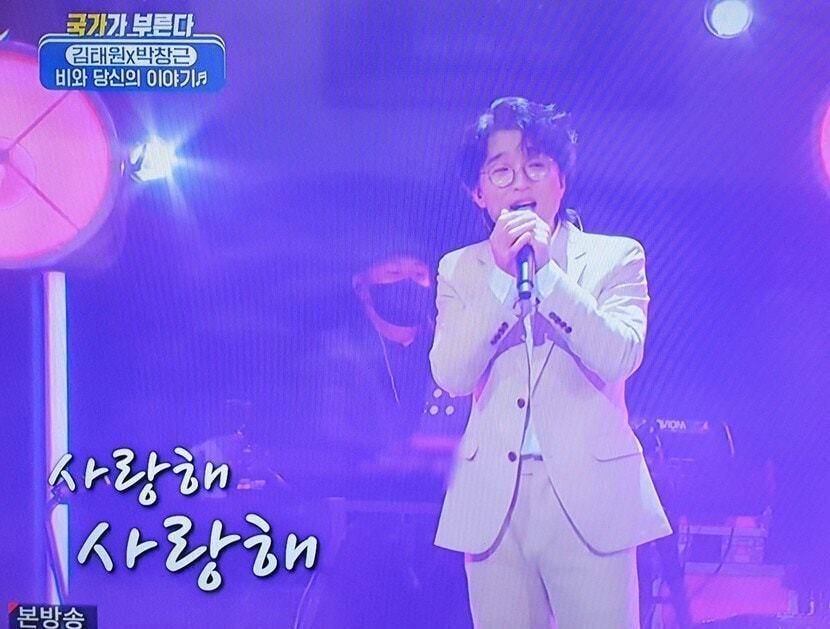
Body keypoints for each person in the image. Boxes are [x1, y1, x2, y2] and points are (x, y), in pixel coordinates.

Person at [430, 97, 672, 628]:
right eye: (501, 171)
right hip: (493, 503)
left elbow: (619, 355)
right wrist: (502, 284)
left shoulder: (615, 257)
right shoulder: (459, 269)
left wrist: (548, 277)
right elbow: (451, 374)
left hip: (591, 499)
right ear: (478, 193)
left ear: (561, 181)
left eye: (536, 166)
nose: (520, 183)